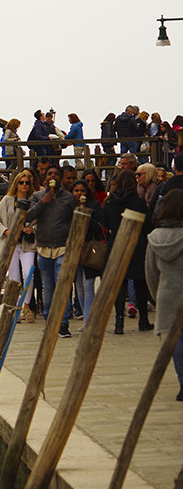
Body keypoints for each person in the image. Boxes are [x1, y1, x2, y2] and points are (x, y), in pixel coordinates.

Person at [27, 165, 81, 337]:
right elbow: (28, 216)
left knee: (62, 286)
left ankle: (63, 322)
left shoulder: (69, 198)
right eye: (50, 173)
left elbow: (76, 221)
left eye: (56, 174)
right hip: (43, 247)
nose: (53, 176)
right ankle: (49, 320)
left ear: (61, 177)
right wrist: (44, 202)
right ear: (45, 176)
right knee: (47, 287)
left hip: (63, 247)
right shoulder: (37, 196)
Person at [144, 189, 183, 400]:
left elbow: (151, 273)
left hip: (167, 296)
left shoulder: (154, 238)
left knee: (175, 344)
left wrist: (157, 295)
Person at [104, 169, 152, 334]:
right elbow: (147, 225)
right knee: (140, 284)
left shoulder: (110, 203)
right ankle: (143, 320)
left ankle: (119, 322)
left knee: (119, 285)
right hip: (136, 245)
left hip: (117, 245)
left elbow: (106, 223)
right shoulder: (138, 203)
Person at [0, 169, 40, 322]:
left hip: (27, 244)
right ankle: (14, 307)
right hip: (10, 243)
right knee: (14, 277)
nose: (24, 185)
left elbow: (40, 222)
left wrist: (32, 229)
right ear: (16, 184)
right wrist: (6, 231)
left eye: (27, 183)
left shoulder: (34, 201)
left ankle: (26, 305)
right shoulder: (7, 200)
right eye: (21, 182)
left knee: (28, 273)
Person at [69, 179, 105, 323]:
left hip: (88, 247)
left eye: (82, 191)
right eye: (76, 191)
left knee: (88, 284)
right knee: (78, 284)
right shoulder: (68, 205)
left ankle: (88, 319)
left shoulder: (94, 205)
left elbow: (98, 226)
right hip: (73, 247)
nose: (79, 193)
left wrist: (84, 212)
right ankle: (85, 314)